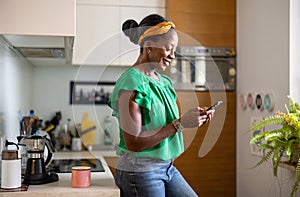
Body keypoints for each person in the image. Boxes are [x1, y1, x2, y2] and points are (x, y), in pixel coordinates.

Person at [108, 14, 215, 197]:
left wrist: (193, 118)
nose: (172, 56)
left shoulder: (164, 82)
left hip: (167, 166)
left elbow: (166, 125)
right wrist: (180, 124)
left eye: (174, 49)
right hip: (139, 170)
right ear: (149, 46)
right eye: (168, 48)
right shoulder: (130, 84)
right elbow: (134, 142)